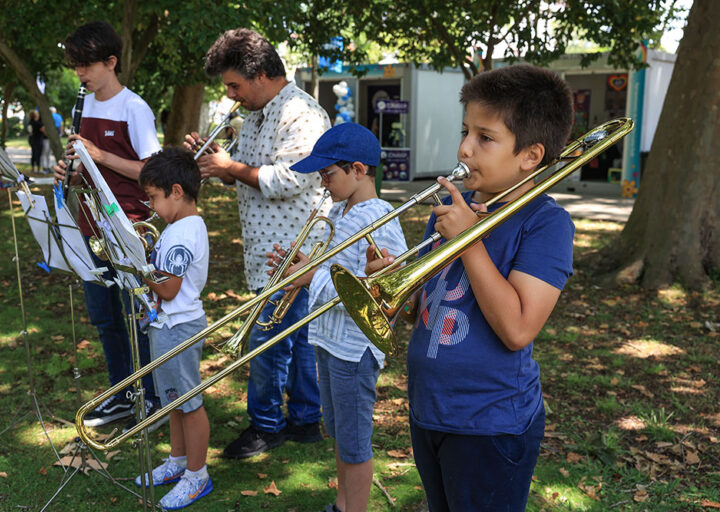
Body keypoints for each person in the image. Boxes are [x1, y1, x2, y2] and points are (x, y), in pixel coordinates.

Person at [366, 64, 575, 511]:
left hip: (490, 423)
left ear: (530, 155)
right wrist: (393, 288)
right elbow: (428, 304)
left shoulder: (546, 223)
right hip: (429, 409)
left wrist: (468, 241)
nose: (464, 147)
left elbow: (518, 329)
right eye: (466, 131)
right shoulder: (451, 207)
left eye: (485, 137)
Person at [185, 28, 331, 459]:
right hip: (267, 248)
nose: (231, 96)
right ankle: (305, 419)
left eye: (235, 85)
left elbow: (290, 178)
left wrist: (231, 166)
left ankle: (268, 425)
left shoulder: (302, 113)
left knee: (268, 342)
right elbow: (248, 171)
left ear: (262, 75)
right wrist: (220, 164)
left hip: (294, 250)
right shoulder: (254, 115)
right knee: (298, 340)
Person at [268, 123, 407, 512]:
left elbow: (379, 293)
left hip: (354, 348)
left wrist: (310, 277)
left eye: (327, 174)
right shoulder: (339, 210)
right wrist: (303, 266)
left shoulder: (378, 217)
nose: (322, 182)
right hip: (329, 340)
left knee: (355, 442)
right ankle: (343, 504)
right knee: (340, 433)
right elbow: (333, 269)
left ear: (358, 170)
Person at [53, 21, 163, 430]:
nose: (80, 74)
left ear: (111, 62)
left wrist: (99, 156)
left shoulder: (134, 107)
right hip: (90, 223)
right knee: (104, 317)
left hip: (127, 225)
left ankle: (152, 397)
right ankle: (123, 394)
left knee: (139, 317)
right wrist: (70, 171)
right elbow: (85, 168)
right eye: (75, 66)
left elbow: (152, 171)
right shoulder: (83, 106)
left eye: (86, 65)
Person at [134, 147, 212, 510]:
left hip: (179, 327)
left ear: (176, 192)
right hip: (168, 324)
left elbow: (168, 289)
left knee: (189, 404)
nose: (151, 206)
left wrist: (136, 265)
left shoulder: (182, 233)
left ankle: (197, 475)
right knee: (174, 401)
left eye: (153, 197)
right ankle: (179, 462)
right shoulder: (177, 227)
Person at [27, 109, 45, 174]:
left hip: (32, 140)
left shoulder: (30, 123)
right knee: (38, 154)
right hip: (38, 140)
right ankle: (38, 168)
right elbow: (43, 130)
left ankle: (33, 168)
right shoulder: (39, 123)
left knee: (33, 154)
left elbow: (29, 132)